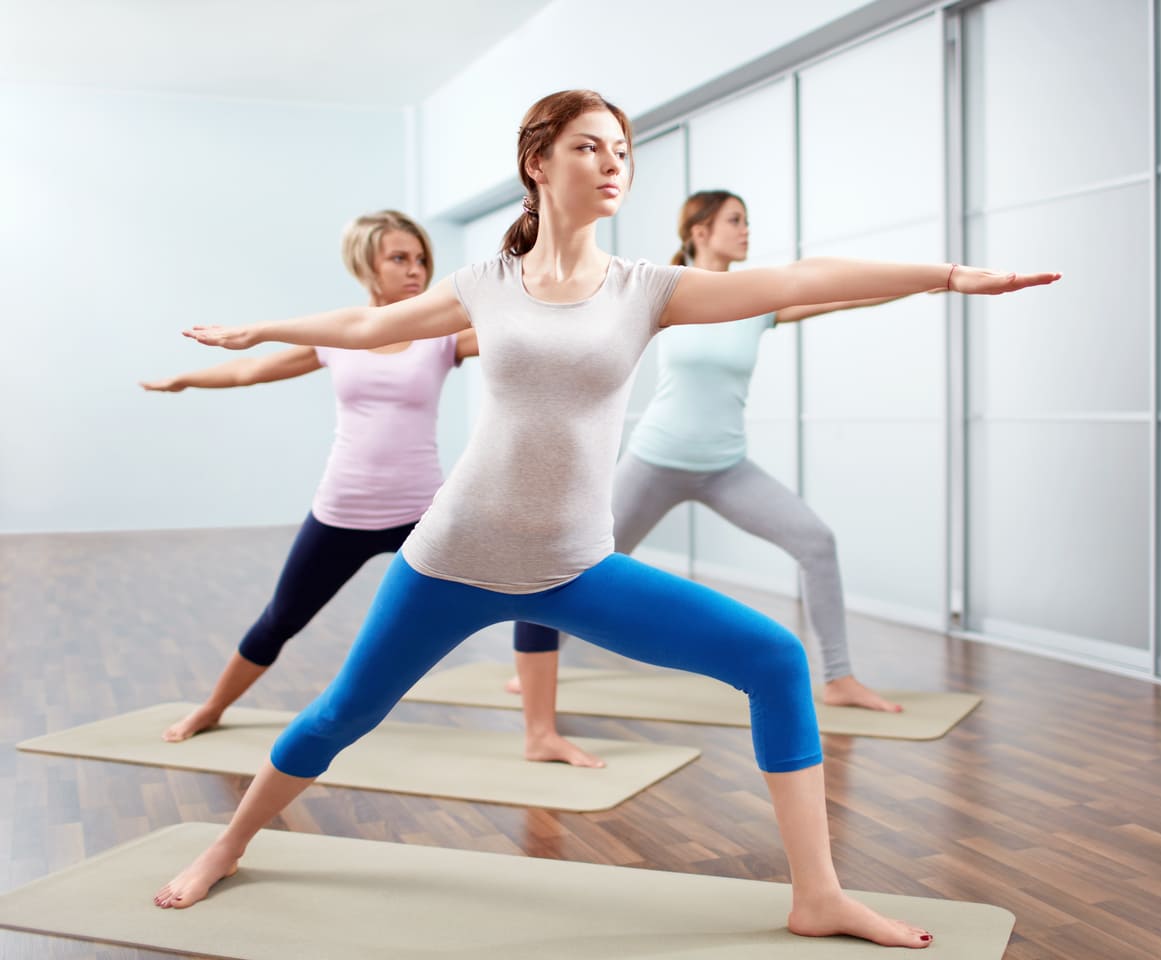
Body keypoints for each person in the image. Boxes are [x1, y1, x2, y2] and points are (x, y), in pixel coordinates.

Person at [152, 89, 1057, 949]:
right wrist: (261, 329)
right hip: (451, 556)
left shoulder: (648, 289)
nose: (612, 163)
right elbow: (365, 326)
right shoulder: (486, 283)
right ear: (539, 163)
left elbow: (803, 276)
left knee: (774, 658)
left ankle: (817, 896)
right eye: (589, 146)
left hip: (572, 567)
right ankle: (228, 846)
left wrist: (945, 275)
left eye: (622, 150)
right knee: (340, 717)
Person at [510, 190, 936, 766]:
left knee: (816, 542)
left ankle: (839, 678)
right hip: (655, 460)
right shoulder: (666, 291)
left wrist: (932, 280)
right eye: (736, 221)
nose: (746, 231)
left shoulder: (755, 300)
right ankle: (538, 664)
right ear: (701, 231)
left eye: (747, 221)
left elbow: (841, 294)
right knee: (574, 555)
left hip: (726, 467)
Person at [139, 211, 477, 743]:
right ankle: (211, 707)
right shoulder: (336, 337)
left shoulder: (443, 338)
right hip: (343, 510)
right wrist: (187, 379)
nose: (416, 270)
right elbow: (250, 369)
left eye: (421, 260)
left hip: (422, 514)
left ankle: (535, 706)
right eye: (399, 258)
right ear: (367, 266)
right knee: (281, 619)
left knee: (512, 588)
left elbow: (519, 334)